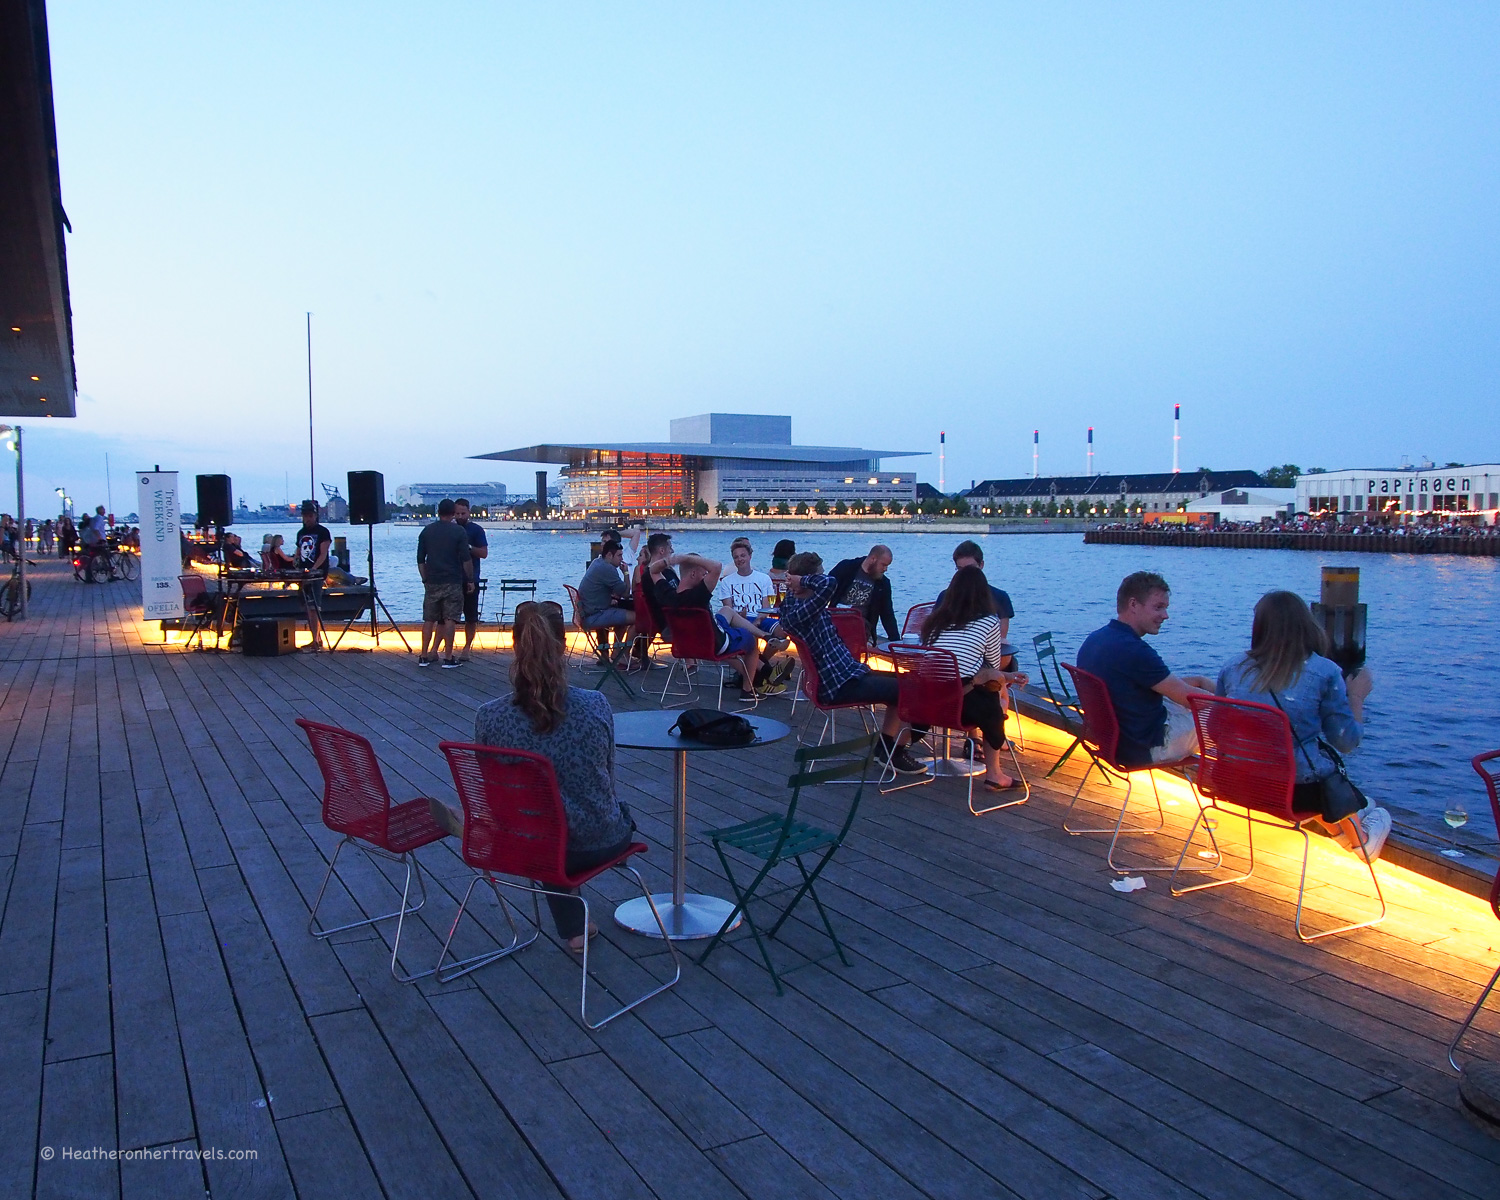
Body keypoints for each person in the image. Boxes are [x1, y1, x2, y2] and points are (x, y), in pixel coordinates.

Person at [474, 600, 635, 952]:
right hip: (597, 842)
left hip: (527, 845)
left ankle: (574, 927)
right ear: (563, 646)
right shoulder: (595, 705)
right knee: (588, 819)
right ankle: (576, 926)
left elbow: (493, 796)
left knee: (543, 827)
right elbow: (606, 780)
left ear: (516, 645)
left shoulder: (489, 717)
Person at [1217, 590, 1390, 859]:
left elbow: (1218, 731)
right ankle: (1363, 841)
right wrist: (1355, 696)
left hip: (1235, 783)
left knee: (1304, 763)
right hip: (1294, 795)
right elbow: (1345, 742)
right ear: (1306, 624)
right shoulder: (1324, 671)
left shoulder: (1232, 667)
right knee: (1323, 774)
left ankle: (1345, 828)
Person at [780, 551, 925, 774]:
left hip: (850, 673)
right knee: (905, 689)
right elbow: (830, 584)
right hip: (838, 685)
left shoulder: (795, 603)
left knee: (908, 680)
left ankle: (886, 748)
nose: (822, 577)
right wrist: (801, 580)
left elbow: (822, 584)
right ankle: (890, 751)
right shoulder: (801, 611)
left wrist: (797, 581)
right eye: (817, 574)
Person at [1077, 571, 1214, 766]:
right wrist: (1233, 704)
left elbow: (1159, 684)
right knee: (1229, 718)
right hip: (1146, 748)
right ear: (1133, 604)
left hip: (1115, 742)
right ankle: (1245, 781)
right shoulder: (1135, 651)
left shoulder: (1096, 639)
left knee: (1206, 700)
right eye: (1158, 607)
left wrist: (1200, 681)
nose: (1165, 616)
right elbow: (1188, 697)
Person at [921, 566, 1029, 792]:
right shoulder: (988, 622)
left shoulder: (934, 622)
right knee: (995, 698)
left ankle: (896, 752)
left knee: (989, 685)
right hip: (960, 706)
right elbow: (991, 663)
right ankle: (995, 774)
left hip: (926, 703)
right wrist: (1006, 677)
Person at [646, 533, 771, 698]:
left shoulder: (668, 595)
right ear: (693, 575)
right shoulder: (698, 596)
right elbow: (717, 566)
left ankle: (765, 635)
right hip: (714, 644)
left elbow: (652, 570)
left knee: (727, 611)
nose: (706, 576)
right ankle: (748, 690)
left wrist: (670, 561)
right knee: (751, 643)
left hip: (686, 644)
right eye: (703, 574)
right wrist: (684, 557)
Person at [416, 498, 475, 668]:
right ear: (452, 513)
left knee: (429, 619)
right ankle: (448, 657)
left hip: (432, 581)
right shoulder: (458, 532)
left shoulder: (427, 531)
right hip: (452, 581)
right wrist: (470, 579)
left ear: (438, 512)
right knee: (450, 619)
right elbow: (466, 559)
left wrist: (425, 578)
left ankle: (424, 655)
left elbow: (420, 559)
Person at [935, 541, 1014, 640]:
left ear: (981, 565)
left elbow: (1001, 637)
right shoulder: (945, 597)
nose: (966, 574)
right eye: (960, 569)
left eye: (970, 569)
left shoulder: (1000, 597)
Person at [829, 545, 900, 645]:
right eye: (883, 565)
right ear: (873, 559)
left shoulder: (883, 584)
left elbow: (887, 614)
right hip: (835, 622)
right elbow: (826, 589)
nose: (885, 569)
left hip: (862, 629)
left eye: (887, 566)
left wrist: (896, 641)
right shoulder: (846, 567)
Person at [578, 542, 635, 665]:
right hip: (594, 615)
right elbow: (625, 593)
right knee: (639, 618)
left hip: (588, 612)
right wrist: (626, 573)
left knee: (623, 616)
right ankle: (623, 654)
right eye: (619, 555)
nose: (622, 559)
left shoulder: (597, 562)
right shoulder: (607, 568)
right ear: (609, 555)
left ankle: (616, 652)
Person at [294, 501, 333, 648]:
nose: (308, 519)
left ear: (315, 516)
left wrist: (315, 569)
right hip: (303, 573)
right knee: (306, 606)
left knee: (314, 607)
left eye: (310, 516)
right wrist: (296, 559)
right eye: (305, 516)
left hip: (316, 573)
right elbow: (298, 550)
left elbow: (323, 554)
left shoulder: (323, 532)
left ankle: (316, 640)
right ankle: (316, 637)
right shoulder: (301, 533)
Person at [454, 498, 489, 659]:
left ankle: (467, 647)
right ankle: (447, 647)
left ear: (468, 512)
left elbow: (483, 553)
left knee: (471, 617)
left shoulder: (476, 530)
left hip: (471, 579)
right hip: (451, 579)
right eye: (457, 513)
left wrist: (468, 547)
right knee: (447, 617)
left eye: (463, 513)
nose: (460, 516)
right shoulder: (449, 529)